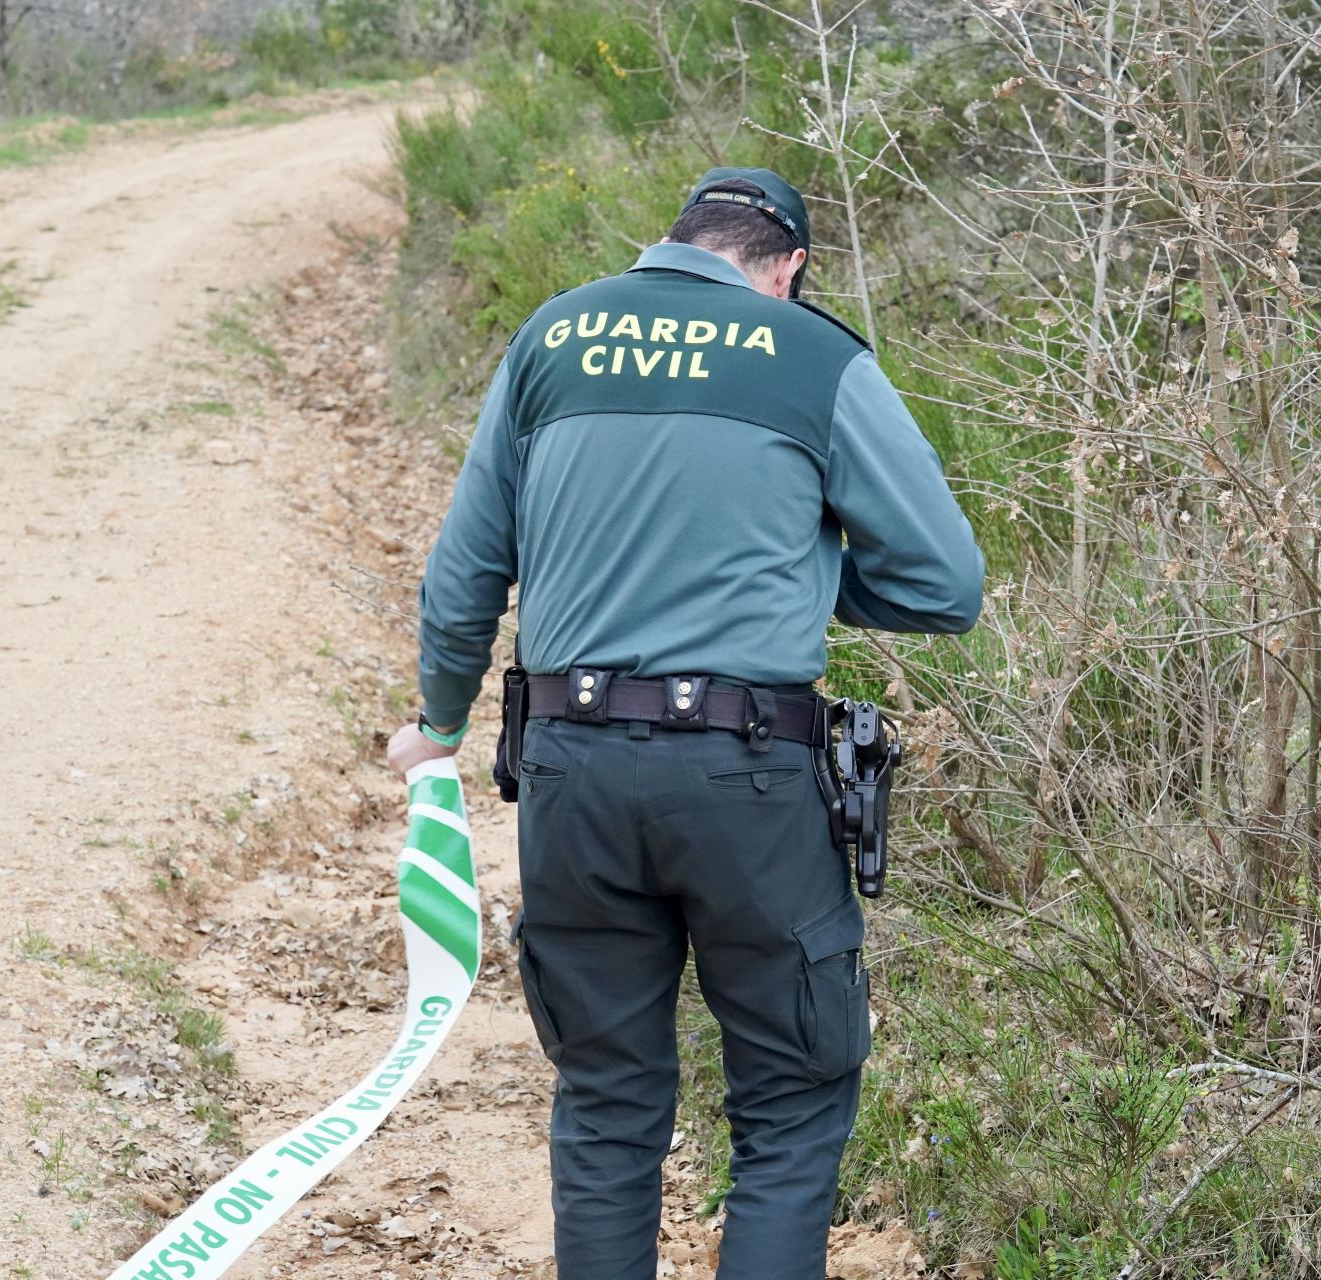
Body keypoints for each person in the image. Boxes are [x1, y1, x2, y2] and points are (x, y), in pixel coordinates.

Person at [387, 167, 984, 1280]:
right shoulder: (816, 357)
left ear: (676, 241)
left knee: (607, 1099)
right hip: (749, 778)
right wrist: (798, 578)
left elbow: (468, 565)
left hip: (567, 768)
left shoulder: (554, 337)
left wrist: (439, 718)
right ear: (788, 268)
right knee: (791, 1105)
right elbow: (946, 585)